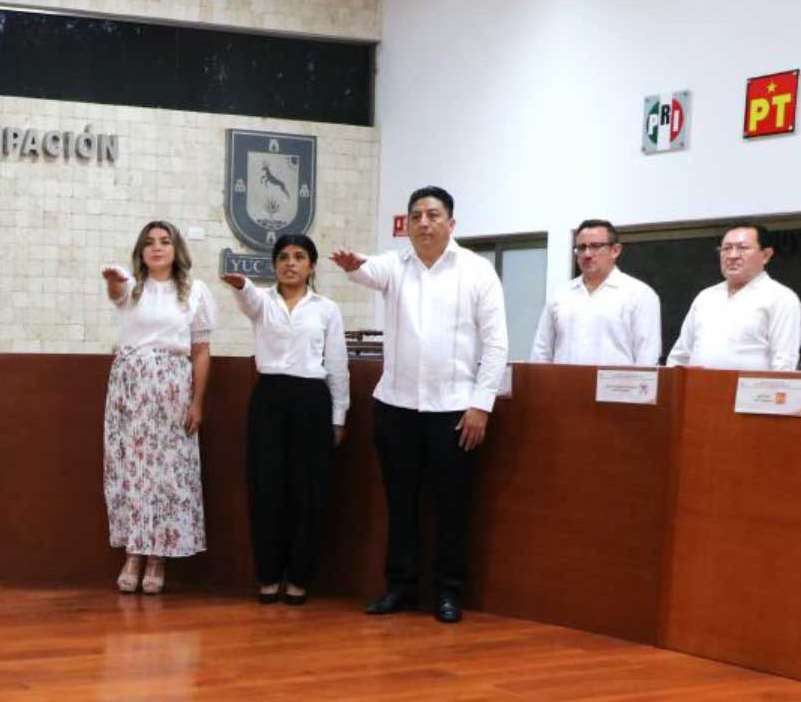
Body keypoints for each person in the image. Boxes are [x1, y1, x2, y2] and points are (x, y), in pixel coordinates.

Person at [330, 186, 507, 624]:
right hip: (397, 408)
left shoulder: (478, 271)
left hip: (455, 410)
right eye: (415, 216)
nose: (423, 223)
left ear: (452, 222)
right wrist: (354, 265)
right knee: (400, 503)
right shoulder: (395, 265)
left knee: (452, 505)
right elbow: (366, 270)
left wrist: (481, 404)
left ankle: (447, 592)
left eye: (432, 215)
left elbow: (497, 341)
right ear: (406, 225)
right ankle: (400, 587)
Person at [219, 233, 348, 606]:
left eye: (299, 257)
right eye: (283, 257)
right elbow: (248, 298)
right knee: (266, 487)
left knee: (308, 492)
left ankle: (300, 577)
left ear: (312, 266)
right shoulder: (263, 303)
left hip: (312, 400)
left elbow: (337, 366)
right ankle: (269, 575)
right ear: (274, 265)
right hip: (270, 399)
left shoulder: (326, 309)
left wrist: (338, 416)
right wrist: (242, 285)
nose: (291, 263)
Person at [99, 220, 214, 595]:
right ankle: (133, 552)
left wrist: (197, 401)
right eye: (149, 243)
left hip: (171, 389)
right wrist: (113, 278)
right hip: (130, 389)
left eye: (165, 242)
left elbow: (200, 351)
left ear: (176, 249)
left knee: (166, 474)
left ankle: (158, 557)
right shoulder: (132, 288)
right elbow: (116, 290)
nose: (157, 248)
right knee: (132, 471)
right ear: (141, 251)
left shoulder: (195, 292)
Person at [667, 222, 799, 371]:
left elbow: (784, 362)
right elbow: (681, 355)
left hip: (751, 393)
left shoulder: (781, 298)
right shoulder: (706, 297)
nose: (732, 256)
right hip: (697, 391)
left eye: (742, 248)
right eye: (726, 248)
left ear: (766, 255)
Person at [531, 219, 661, 365]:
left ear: (615, 250)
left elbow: (647, 356)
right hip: (564, 386)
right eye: (581, 247)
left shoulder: (639, 294)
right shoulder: (560, 296)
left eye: (595, 246)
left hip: (616, 387)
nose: (587, 254)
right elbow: (541, 352)